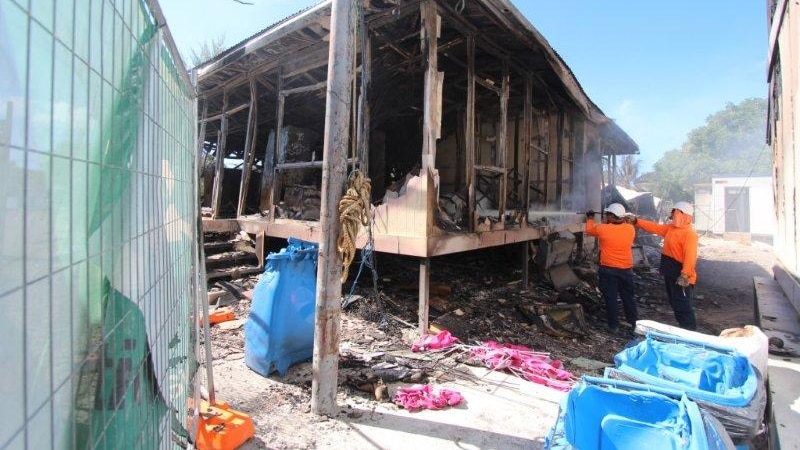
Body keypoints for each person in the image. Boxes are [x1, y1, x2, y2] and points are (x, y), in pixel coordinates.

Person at [631, 201, 698, 330]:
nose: (671, 215)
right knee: (675, 303)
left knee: (683, 305)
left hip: (681, 274)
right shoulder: (671, 228)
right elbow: (655, 227)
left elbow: (690, 256)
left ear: (680, 214)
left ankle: (690, 331)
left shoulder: (689, 234)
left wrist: (685, 274)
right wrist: (636, 221)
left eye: (673, 212)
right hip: (670, 272)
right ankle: (683, 329)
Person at [585, 203, 638, 333]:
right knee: (628, 297)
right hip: (626, 269)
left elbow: (589, 230)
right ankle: (633, 324)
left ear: (611, 216)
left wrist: (590, 218)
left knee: (611, 298)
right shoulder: (630, 229)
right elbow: (624, 224)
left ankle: (613, 325)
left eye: (608, 214)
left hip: (608, 269)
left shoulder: (603, 229)